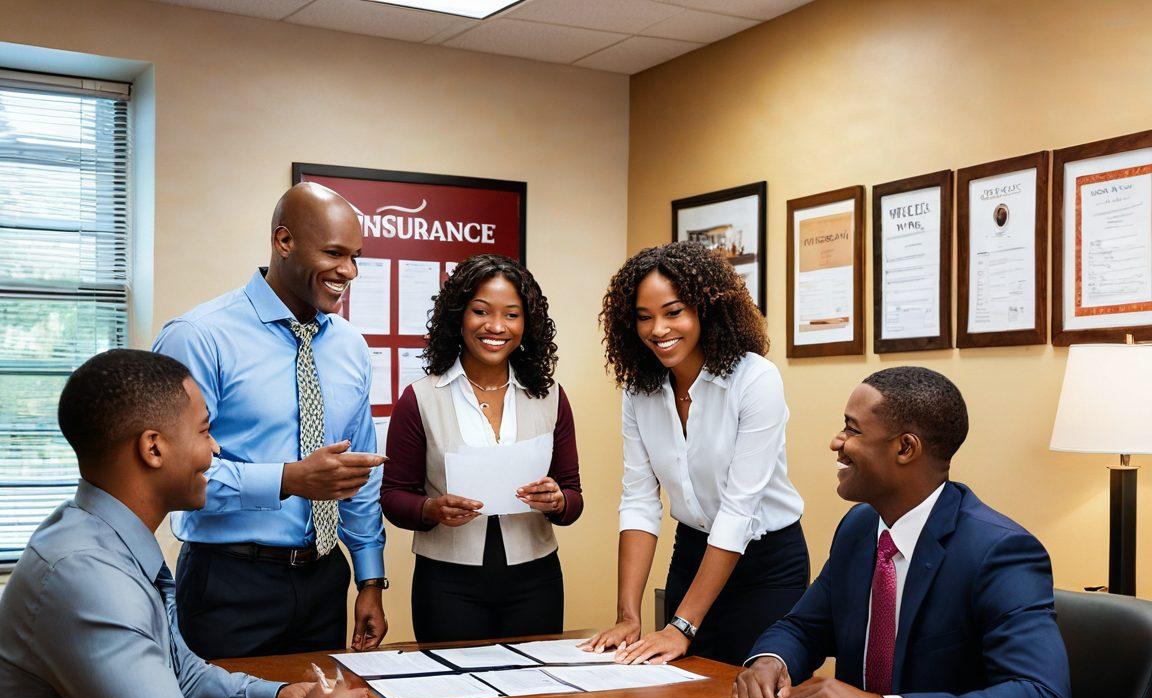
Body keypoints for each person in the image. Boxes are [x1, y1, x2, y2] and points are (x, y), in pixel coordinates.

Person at [733, 366, 1142, 698]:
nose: (836, 442)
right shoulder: (861, 528)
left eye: (852, 429)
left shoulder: (998, 551)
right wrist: (770, 661)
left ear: (905, 448)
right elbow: (804, 626)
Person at [0, 349, 371, 698]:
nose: (215, 449)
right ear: (153, 448)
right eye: (204, 431)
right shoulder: (87, 573)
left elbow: (182, 674)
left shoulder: (105, 537)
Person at [153, 182, 387, 660]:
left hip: (324, 579)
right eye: (334, 253)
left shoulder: (351, 346)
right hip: (229, 581)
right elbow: (171, 473)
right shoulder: (198, 337)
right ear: (284, 241)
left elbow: (360, 473)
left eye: (355, 257)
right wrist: (288, 479)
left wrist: (370, 577)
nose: (349, 271)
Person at [583, 241, 808, 666]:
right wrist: (627, 616)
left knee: (751, 693)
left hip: (765, 567)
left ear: (706, 310)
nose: (658, 329)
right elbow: (639, 500)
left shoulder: (755, 379)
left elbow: (739, 510)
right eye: (644, 317)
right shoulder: (639, 391)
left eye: (673, 312)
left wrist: (682, 626)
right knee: (674, 687)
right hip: (691, 554)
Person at [380, 254, 582, 641]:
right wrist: (430, 509)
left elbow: (573, 495)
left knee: (534, 680)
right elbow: (392, 496)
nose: (496, 326)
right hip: (446, 586)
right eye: (481, 311)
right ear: (459, 316)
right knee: (451, 681)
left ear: (527, 323)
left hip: (536, 582)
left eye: (511, 315)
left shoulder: (550, 396)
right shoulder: (420, 398)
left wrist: (558, 501)